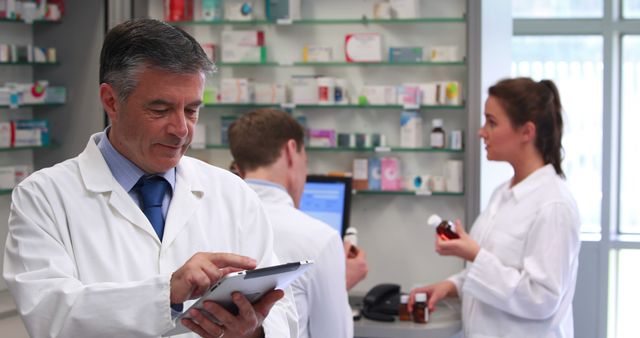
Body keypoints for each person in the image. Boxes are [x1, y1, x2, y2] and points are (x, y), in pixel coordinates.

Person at [3, 19, 298, 338]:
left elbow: (283, 308)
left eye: (191, 110)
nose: (181, 129)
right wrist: (167, 293)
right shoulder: (44, 197)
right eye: (161, 109)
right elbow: (52, 317)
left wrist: (253, 330)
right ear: (111, 101)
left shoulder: (231, 193)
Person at [409, 78, 581, 337]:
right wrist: (451, 286)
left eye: (492, 122)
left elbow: (542, 298)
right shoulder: (503, 194)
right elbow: (496, 273)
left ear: (526, 132)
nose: (481, 132)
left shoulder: (553, 205)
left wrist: (475, 256)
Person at [227, 109, 368, 338]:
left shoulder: (213, 221)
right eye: (306, 161)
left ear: (240, 168)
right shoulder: (319, 238)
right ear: (291, 152)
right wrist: (335, 282)